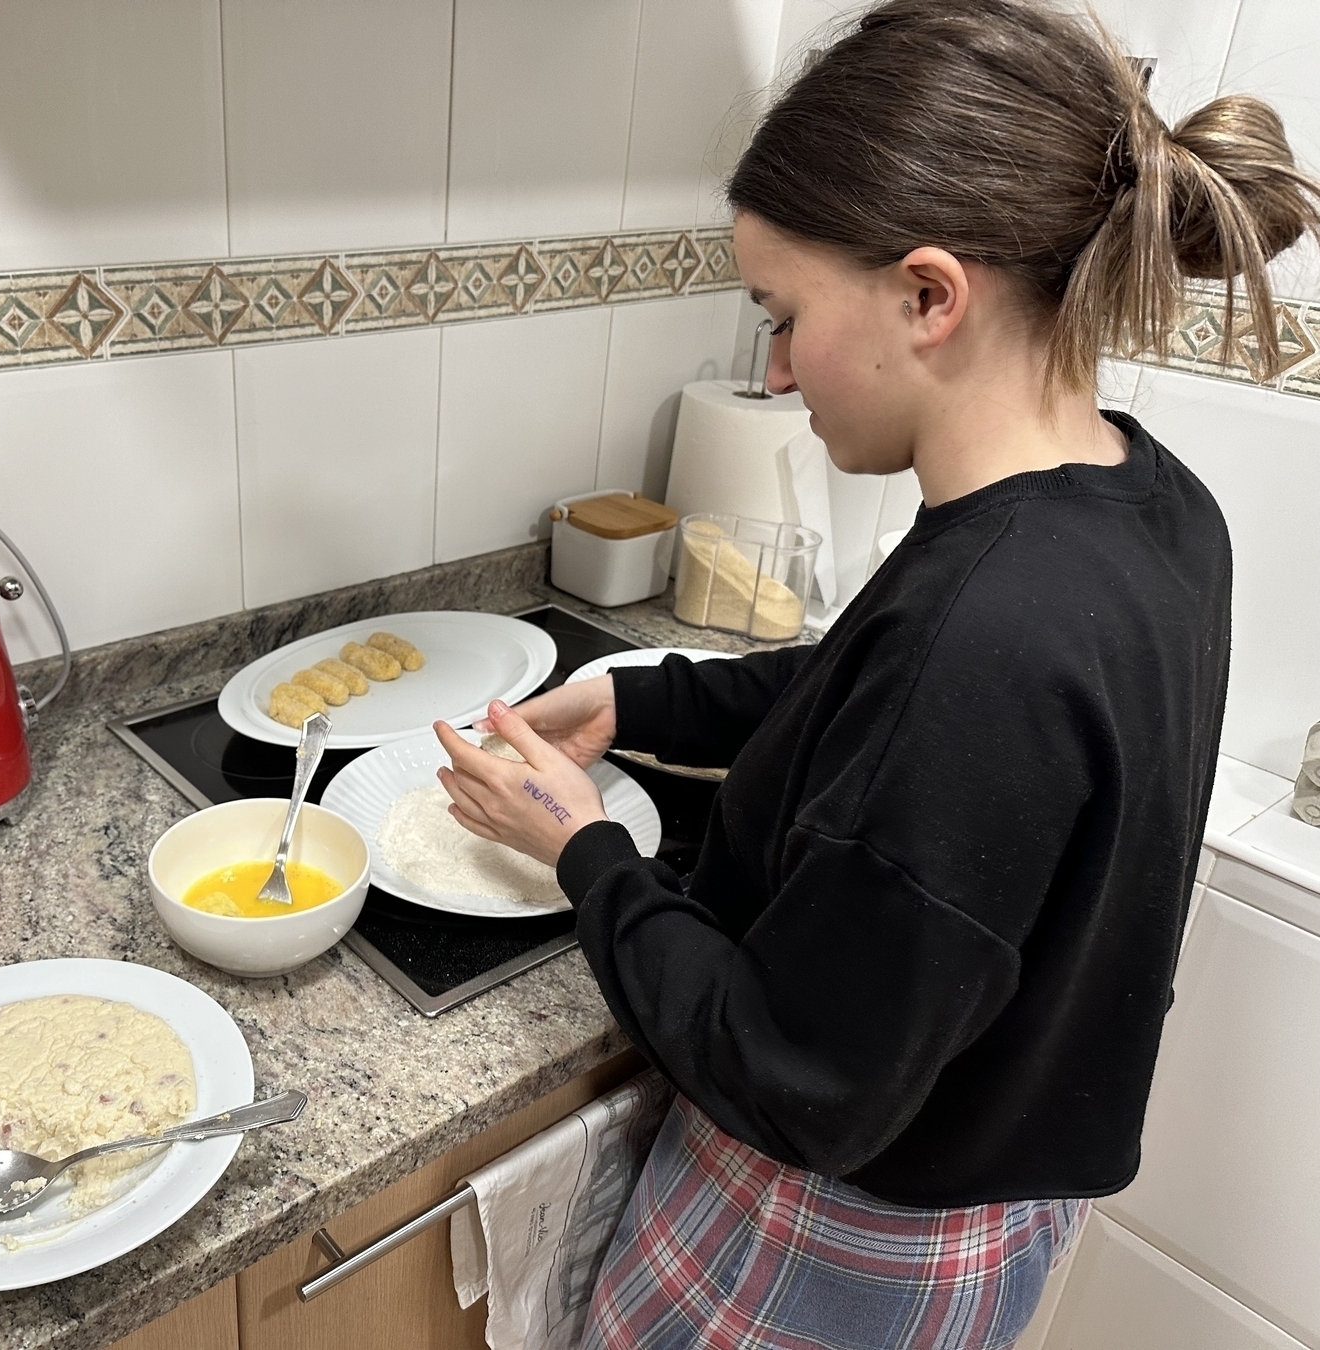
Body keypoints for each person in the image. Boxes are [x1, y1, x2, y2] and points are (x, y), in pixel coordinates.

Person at [431, 2, 1320, 1346]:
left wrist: (589, 850)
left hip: (839, 1238)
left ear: (927, 294)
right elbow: (869, 703)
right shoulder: (1148, 502)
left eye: (784, 316)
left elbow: (796, 1079)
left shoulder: (988, 636)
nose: (776, 372)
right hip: (1004, 1202)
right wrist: (645, 699)